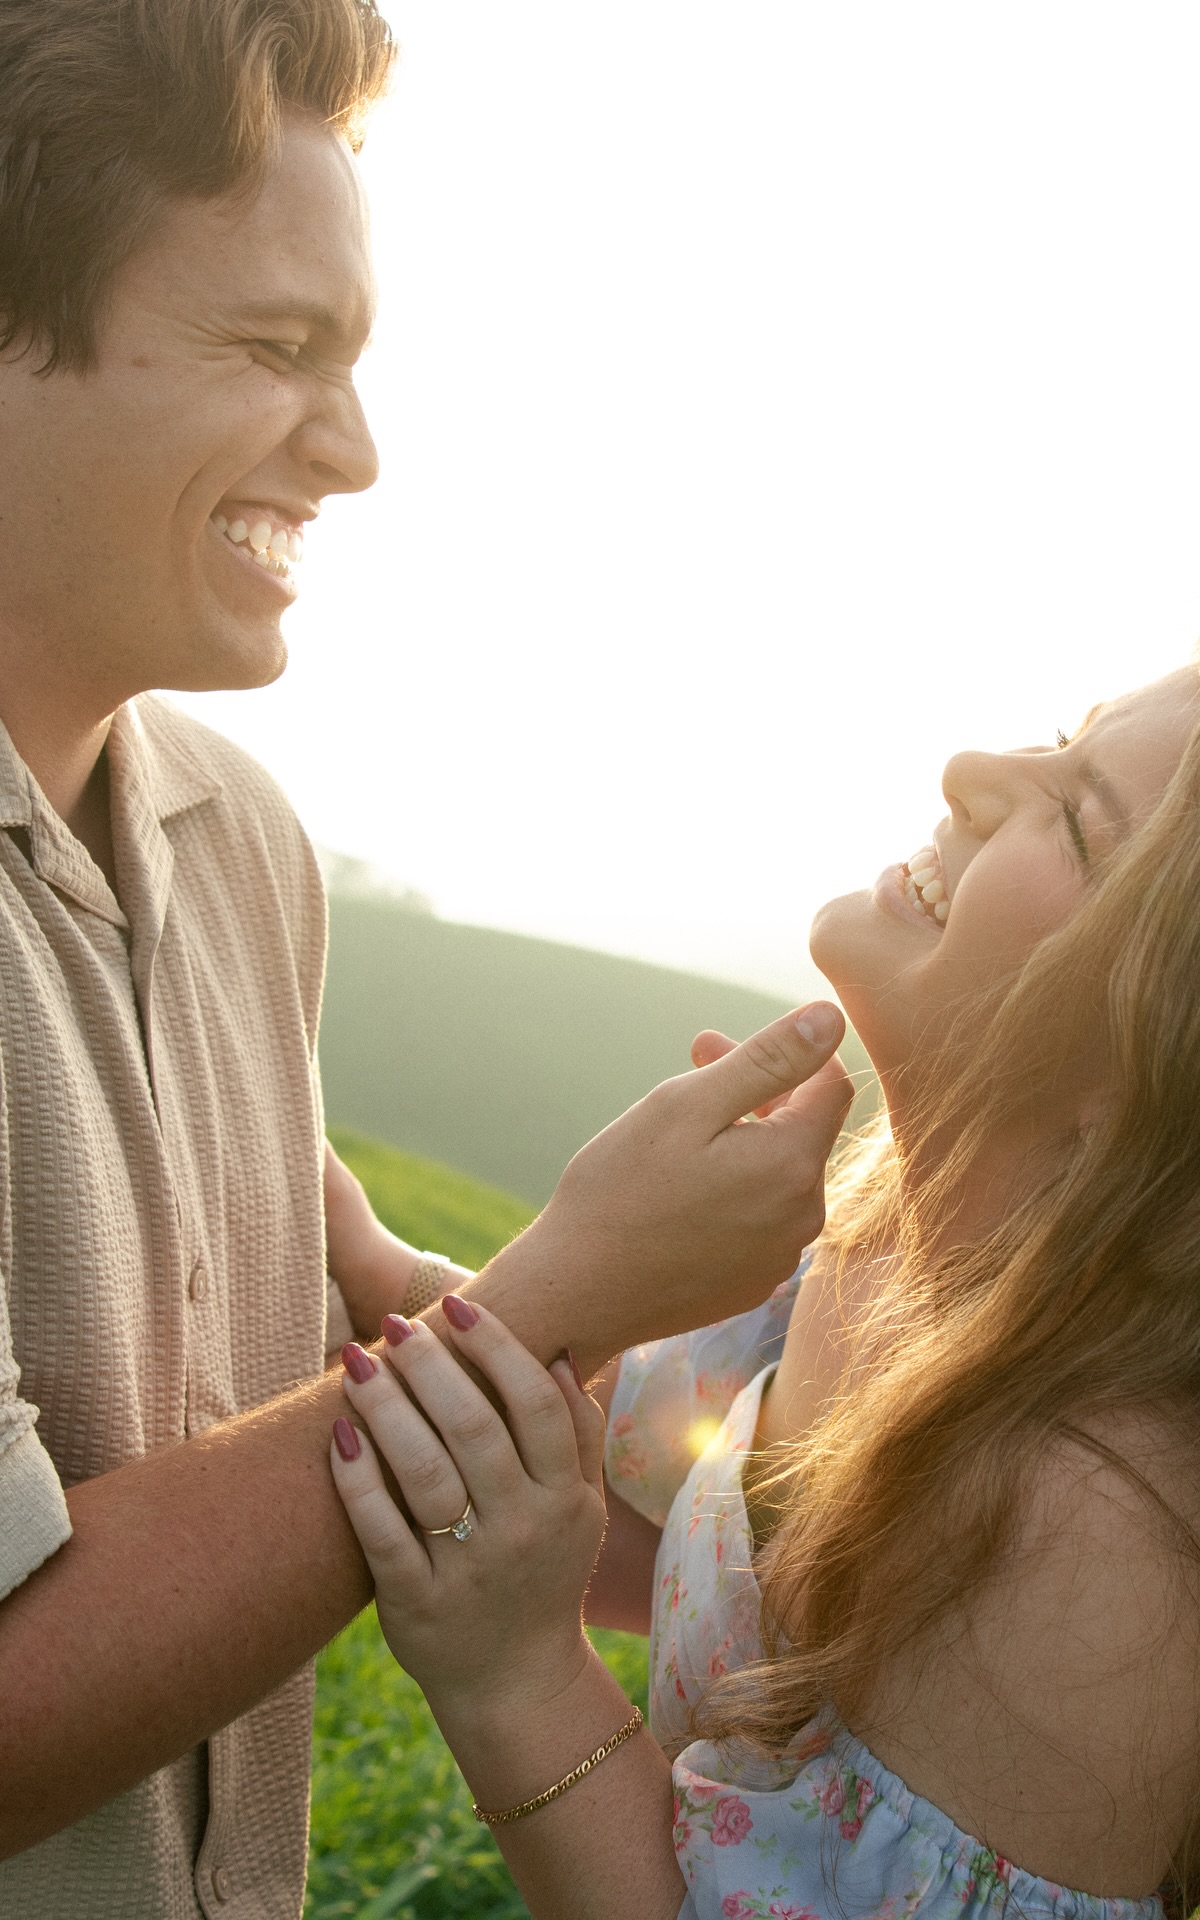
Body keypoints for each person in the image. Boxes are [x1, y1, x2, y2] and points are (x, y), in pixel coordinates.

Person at [0, 3, 854, 1915]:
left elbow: (247, 1399)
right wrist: (562, 1289)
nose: (357, 453)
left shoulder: (242, 843)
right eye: (272, 349)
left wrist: (405, 1298)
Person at [331, 625, 1200, 1920]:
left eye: (1081, 825)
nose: (971, 767)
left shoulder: (1094, 1537)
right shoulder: (876, 1253)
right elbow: (688, 1541)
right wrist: (400, 1273)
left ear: (1190, 1059)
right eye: (1065, 739)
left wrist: (515, 1675)